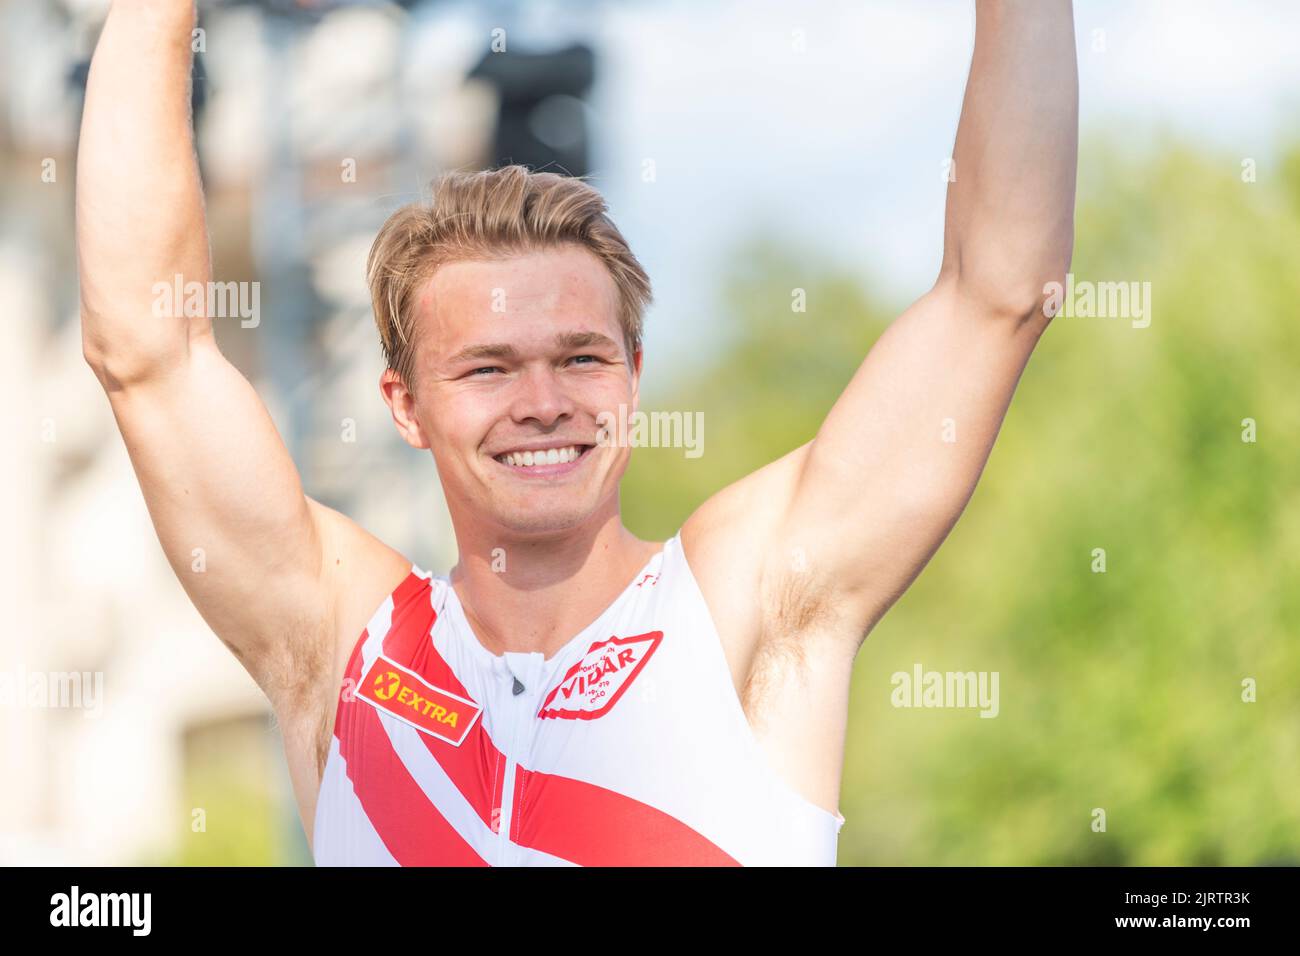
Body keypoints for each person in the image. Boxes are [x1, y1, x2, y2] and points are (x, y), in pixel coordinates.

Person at [76, 0, 1078, 866]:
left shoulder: (749, 599)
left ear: (634, 381)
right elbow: (142, 347)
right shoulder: (344, 639)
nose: (543, 399)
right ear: (403, 405)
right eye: (487, 367)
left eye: (581, 357)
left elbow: (996, 291)